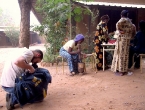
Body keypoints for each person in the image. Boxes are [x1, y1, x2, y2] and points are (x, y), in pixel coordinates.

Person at [111, 10, 134, 76]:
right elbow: (132, 29)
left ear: (121, 15)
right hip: (127, 40)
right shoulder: (130, 21)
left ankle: (121, 70)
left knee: (120, 54)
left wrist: (120, 31)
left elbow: (117, 25)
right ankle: (124, 69)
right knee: (125, 55)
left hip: (121, 40)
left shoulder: (122, 20)